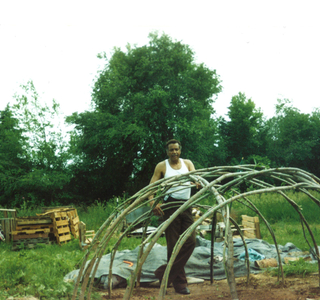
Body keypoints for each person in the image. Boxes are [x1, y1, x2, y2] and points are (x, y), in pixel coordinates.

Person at [148, 139, 198, 295]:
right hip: (170, 206)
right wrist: (152, 202)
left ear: (180, 150)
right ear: (167, 152)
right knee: (173, 244)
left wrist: (197, 183)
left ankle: (164, 274)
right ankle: (180, 284)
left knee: (190, 241)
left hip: (186, 205)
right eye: (171, 150)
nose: (174, 152)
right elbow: (151, 187)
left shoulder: (187, 164)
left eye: (176, 149)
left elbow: (196, 179)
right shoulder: (162, 166)